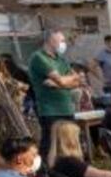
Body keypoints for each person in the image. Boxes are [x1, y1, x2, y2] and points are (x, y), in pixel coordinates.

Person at [28, 29, 83, 161]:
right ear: (51, 40)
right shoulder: (39, 58)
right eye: (61, 40)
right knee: (51, 144)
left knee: (70, 142)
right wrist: (67, 80)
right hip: (50, 111)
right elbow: (64, 80)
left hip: (67, 108)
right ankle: (45, 170)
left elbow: (77, 81)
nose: (64, 44)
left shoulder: (61, 59)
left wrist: (58, 84)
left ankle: (70, 168)